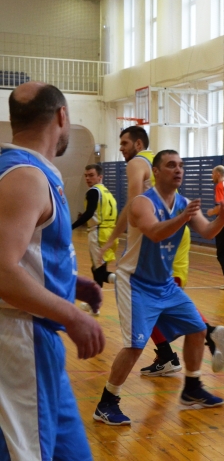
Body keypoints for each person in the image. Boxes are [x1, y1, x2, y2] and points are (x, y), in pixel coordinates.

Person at [94, 150, 224, 426]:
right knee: (135, 345)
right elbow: (155, 232)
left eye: (181, 165)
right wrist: (184, 217)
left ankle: (192, 388)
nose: (178, 169)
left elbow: (207, 231)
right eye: (171, 165)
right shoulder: (142, 203)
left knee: (198, 330)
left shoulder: (183, 203)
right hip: (135, 283)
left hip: (164, 284)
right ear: (156, 172)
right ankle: (107, 402)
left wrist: (223, 218)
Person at [0, 82, 105, 460]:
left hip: (39, 341)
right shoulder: (26, 177)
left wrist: (67, 284)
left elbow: (24, 252)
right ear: (62, 116)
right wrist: (71, 315)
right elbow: (1, 270)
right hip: (19, 339)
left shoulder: (25, 171)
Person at [99, 127, 224, 375]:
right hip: (173, 230)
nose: (121, 148)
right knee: (160, 301)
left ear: (138, 144)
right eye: (173, 165)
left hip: (166, 231)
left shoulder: (137, 163)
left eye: (124, 143)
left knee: (158, 301)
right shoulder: (155, 161)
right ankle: (177, 351)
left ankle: (204, 335)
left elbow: (133, 205)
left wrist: (112, 239)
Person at [72, 164, 118, 315]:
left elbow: (88, 213)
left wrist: (70, 227)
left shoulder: (93, 191)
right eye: (86, 175)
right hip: (110, 234)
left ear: (100, 176)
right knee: (97, 270)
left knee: (99, 273)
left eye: (91, 175)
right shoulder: (107, 193)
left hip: (98, 233)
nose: (87, 178)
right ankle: (94, 307)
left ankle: (122, 281)